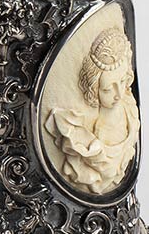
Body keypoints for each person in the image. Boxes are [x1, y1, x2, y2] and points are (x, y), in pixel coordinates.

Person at [45, 25, 139, 194]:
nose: (119, 94)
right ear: (94, 90)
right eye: (108, 89)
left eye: (122, 81)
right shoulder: (79, 135)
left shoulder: (129, 109)